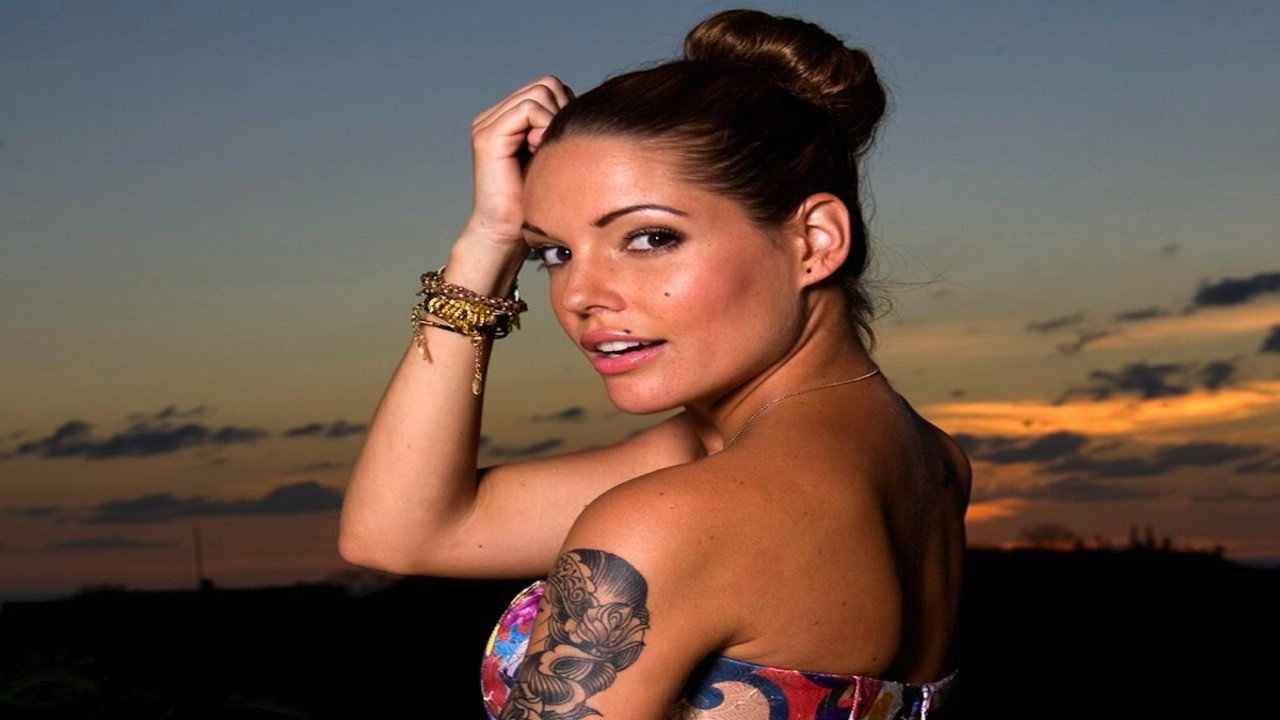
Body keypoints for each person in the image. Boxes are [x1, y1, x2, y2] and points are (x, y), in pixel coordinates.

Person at [339, 8, 972, 719]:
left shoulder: (674, 519)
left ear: (815, 241)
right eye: (553, 252)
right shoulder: (926, 460)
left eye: (649, 238)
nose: (578, 295)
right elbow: (396, 533)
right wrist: (489, 239)